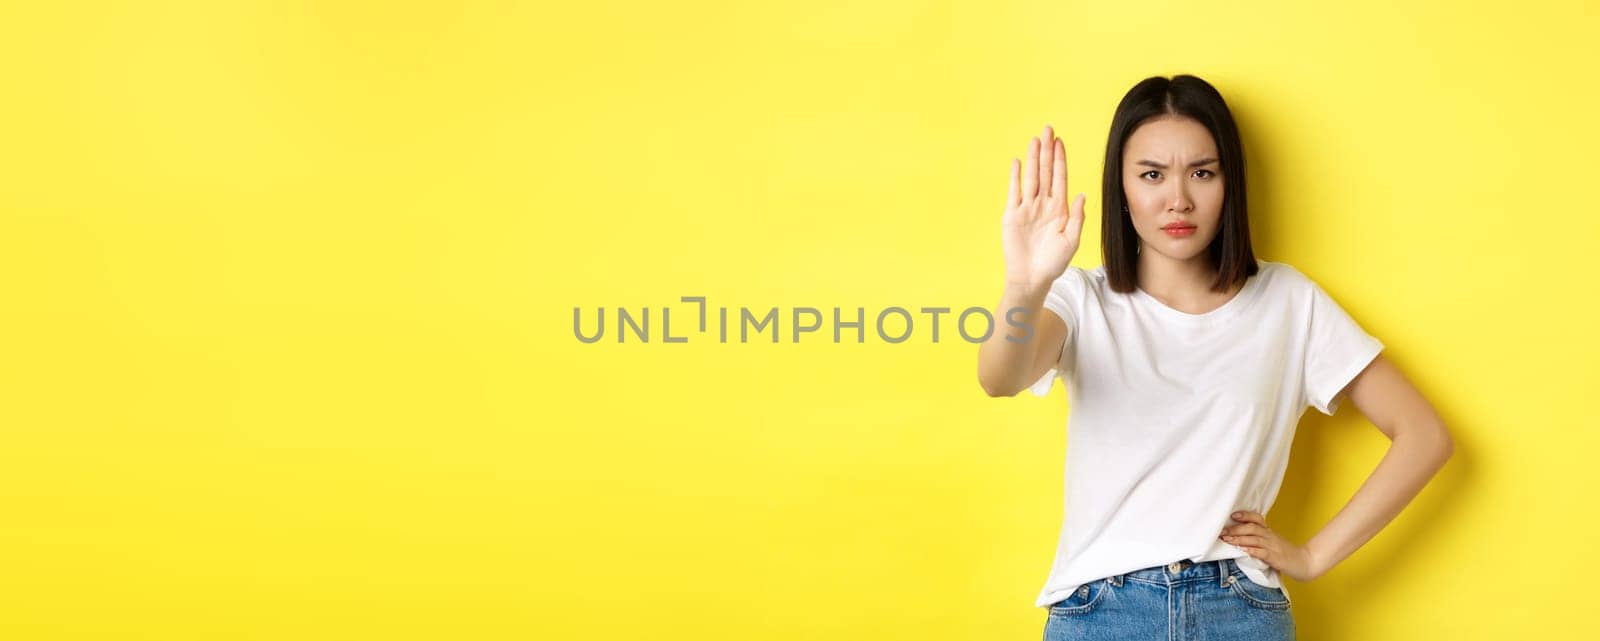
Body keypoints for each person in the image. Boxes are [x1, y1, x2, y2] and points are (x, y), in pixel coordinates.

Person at [975, 75, 1454, 640]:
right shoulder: (1082, 298)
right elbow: (999, 378)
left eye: (1202, 172)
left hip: (1240, 610)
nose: (1178, 198)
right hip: (1102, 612)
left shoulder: (1288, 301)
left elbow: (1424, 435)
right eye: (1152, 174)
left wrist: (1312, 556)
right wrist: (1025, 284)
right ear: (1121, 188)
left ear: (1230, 183)